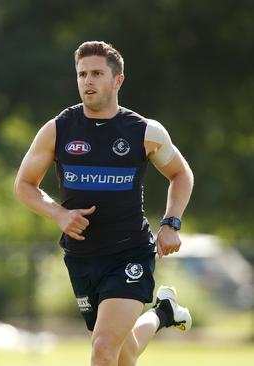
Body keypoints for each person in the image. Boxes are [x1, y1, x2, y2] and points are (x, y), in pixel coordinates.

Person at [14, 41, 194, 366]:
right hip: (82, 257)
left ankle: (162, 311)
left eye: (97, 73)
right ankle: (164, 312)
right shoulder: (57, 130)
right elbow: (24, 185)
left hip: (130, 252)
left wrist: (171, 222)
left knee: (102, 350)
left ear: (118, 80)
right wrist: (58, 214)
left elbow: (181, 174)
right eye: (82, 74)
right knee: (123, 354)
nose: (87, 81)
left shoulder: (144, 132)